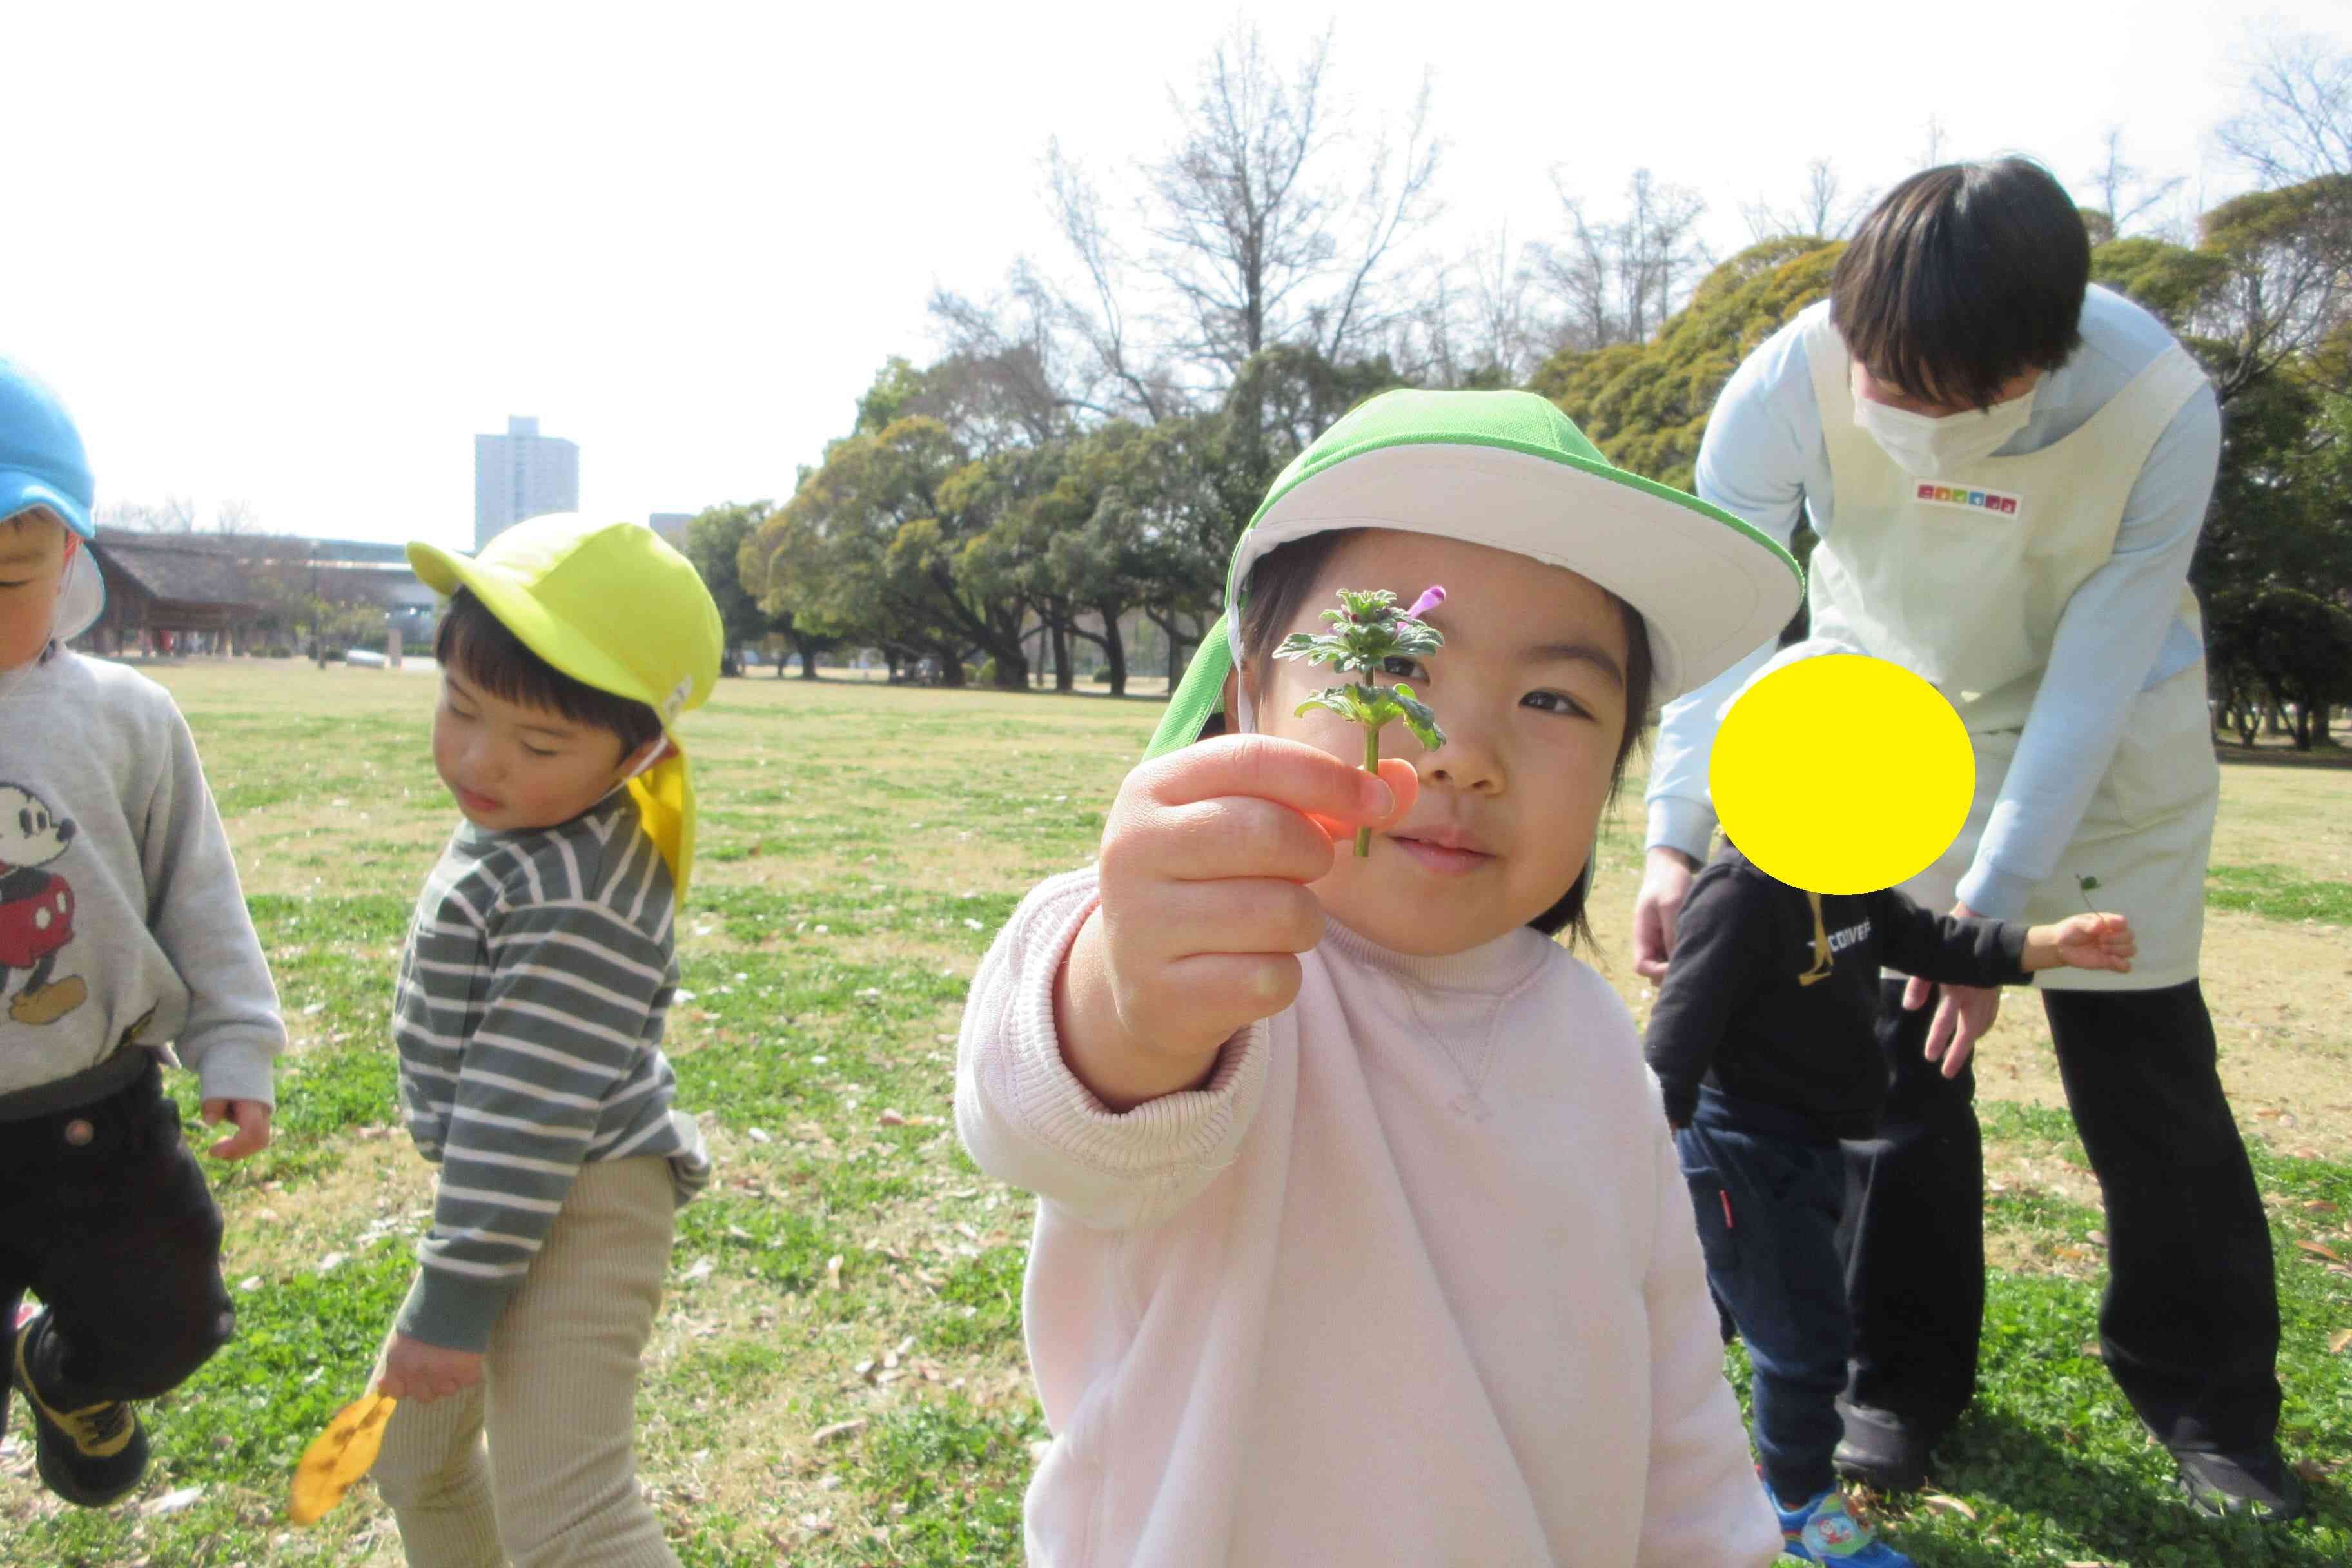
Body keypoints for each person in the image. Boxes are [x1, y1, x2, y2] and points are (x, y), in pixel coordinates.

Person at [957, 388, 1804, 1565]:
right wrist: (1134, 991)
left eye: (1554, 699)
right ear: (1250, 695)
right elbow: (1043, 1111)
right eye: (1394, 664)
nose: (1464, 754)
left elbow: (1674, 1383)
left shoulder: (1592, 1037)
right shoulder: (1225, 978)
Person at [1631, 158, 2297, 1518]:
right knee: (1887, 1077)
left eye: (1929, 393)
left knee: (2147, 1076)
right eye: (1874, 369)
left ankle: (2207, 1398)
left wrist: (1993, 920)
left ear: (2030, 368)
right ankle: (1894, 1381)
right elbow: (1725, 619)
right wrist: (1675, 833)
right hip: (1882, 733)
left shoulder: (2159, 406)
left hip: (2104, 744)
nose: (1885, 406)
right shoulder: (1785, 383)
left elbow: (2101, 663)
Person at [1645, 641, 2141, 1565]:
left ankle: (1669, 1458)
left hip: (1810, 1144)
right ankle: (1798, 1508)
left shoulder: (1851, 873)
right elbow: (1674, 1042)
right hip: (1739, 1150)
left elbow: (1938, 942)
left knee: (1719, 1313)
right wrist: (1640, 1156)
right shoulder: (1744, 893)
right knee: (1804, 1343)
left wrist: (2047, 944)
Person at [366, 513, 721, 1567]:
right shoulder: (536, 823)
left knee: (570, 1518)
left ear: (640, 751)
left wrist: (452, 1301)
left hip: (579, 1196)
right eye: (460, 709)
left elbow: (526, 1111)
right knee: (415, 1458)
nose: (480, 760)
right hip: (512, 1196)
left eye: (538, 743)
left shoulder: (576, 892)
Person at [0, 357, 284, 1507]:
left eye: (9, 570)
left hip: (94, 1115)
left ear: (72, 558)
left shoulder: (124, 717)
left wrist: (236, 1042)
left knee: (170, 1324)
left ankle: (64, 1374)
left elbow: (196, 891)